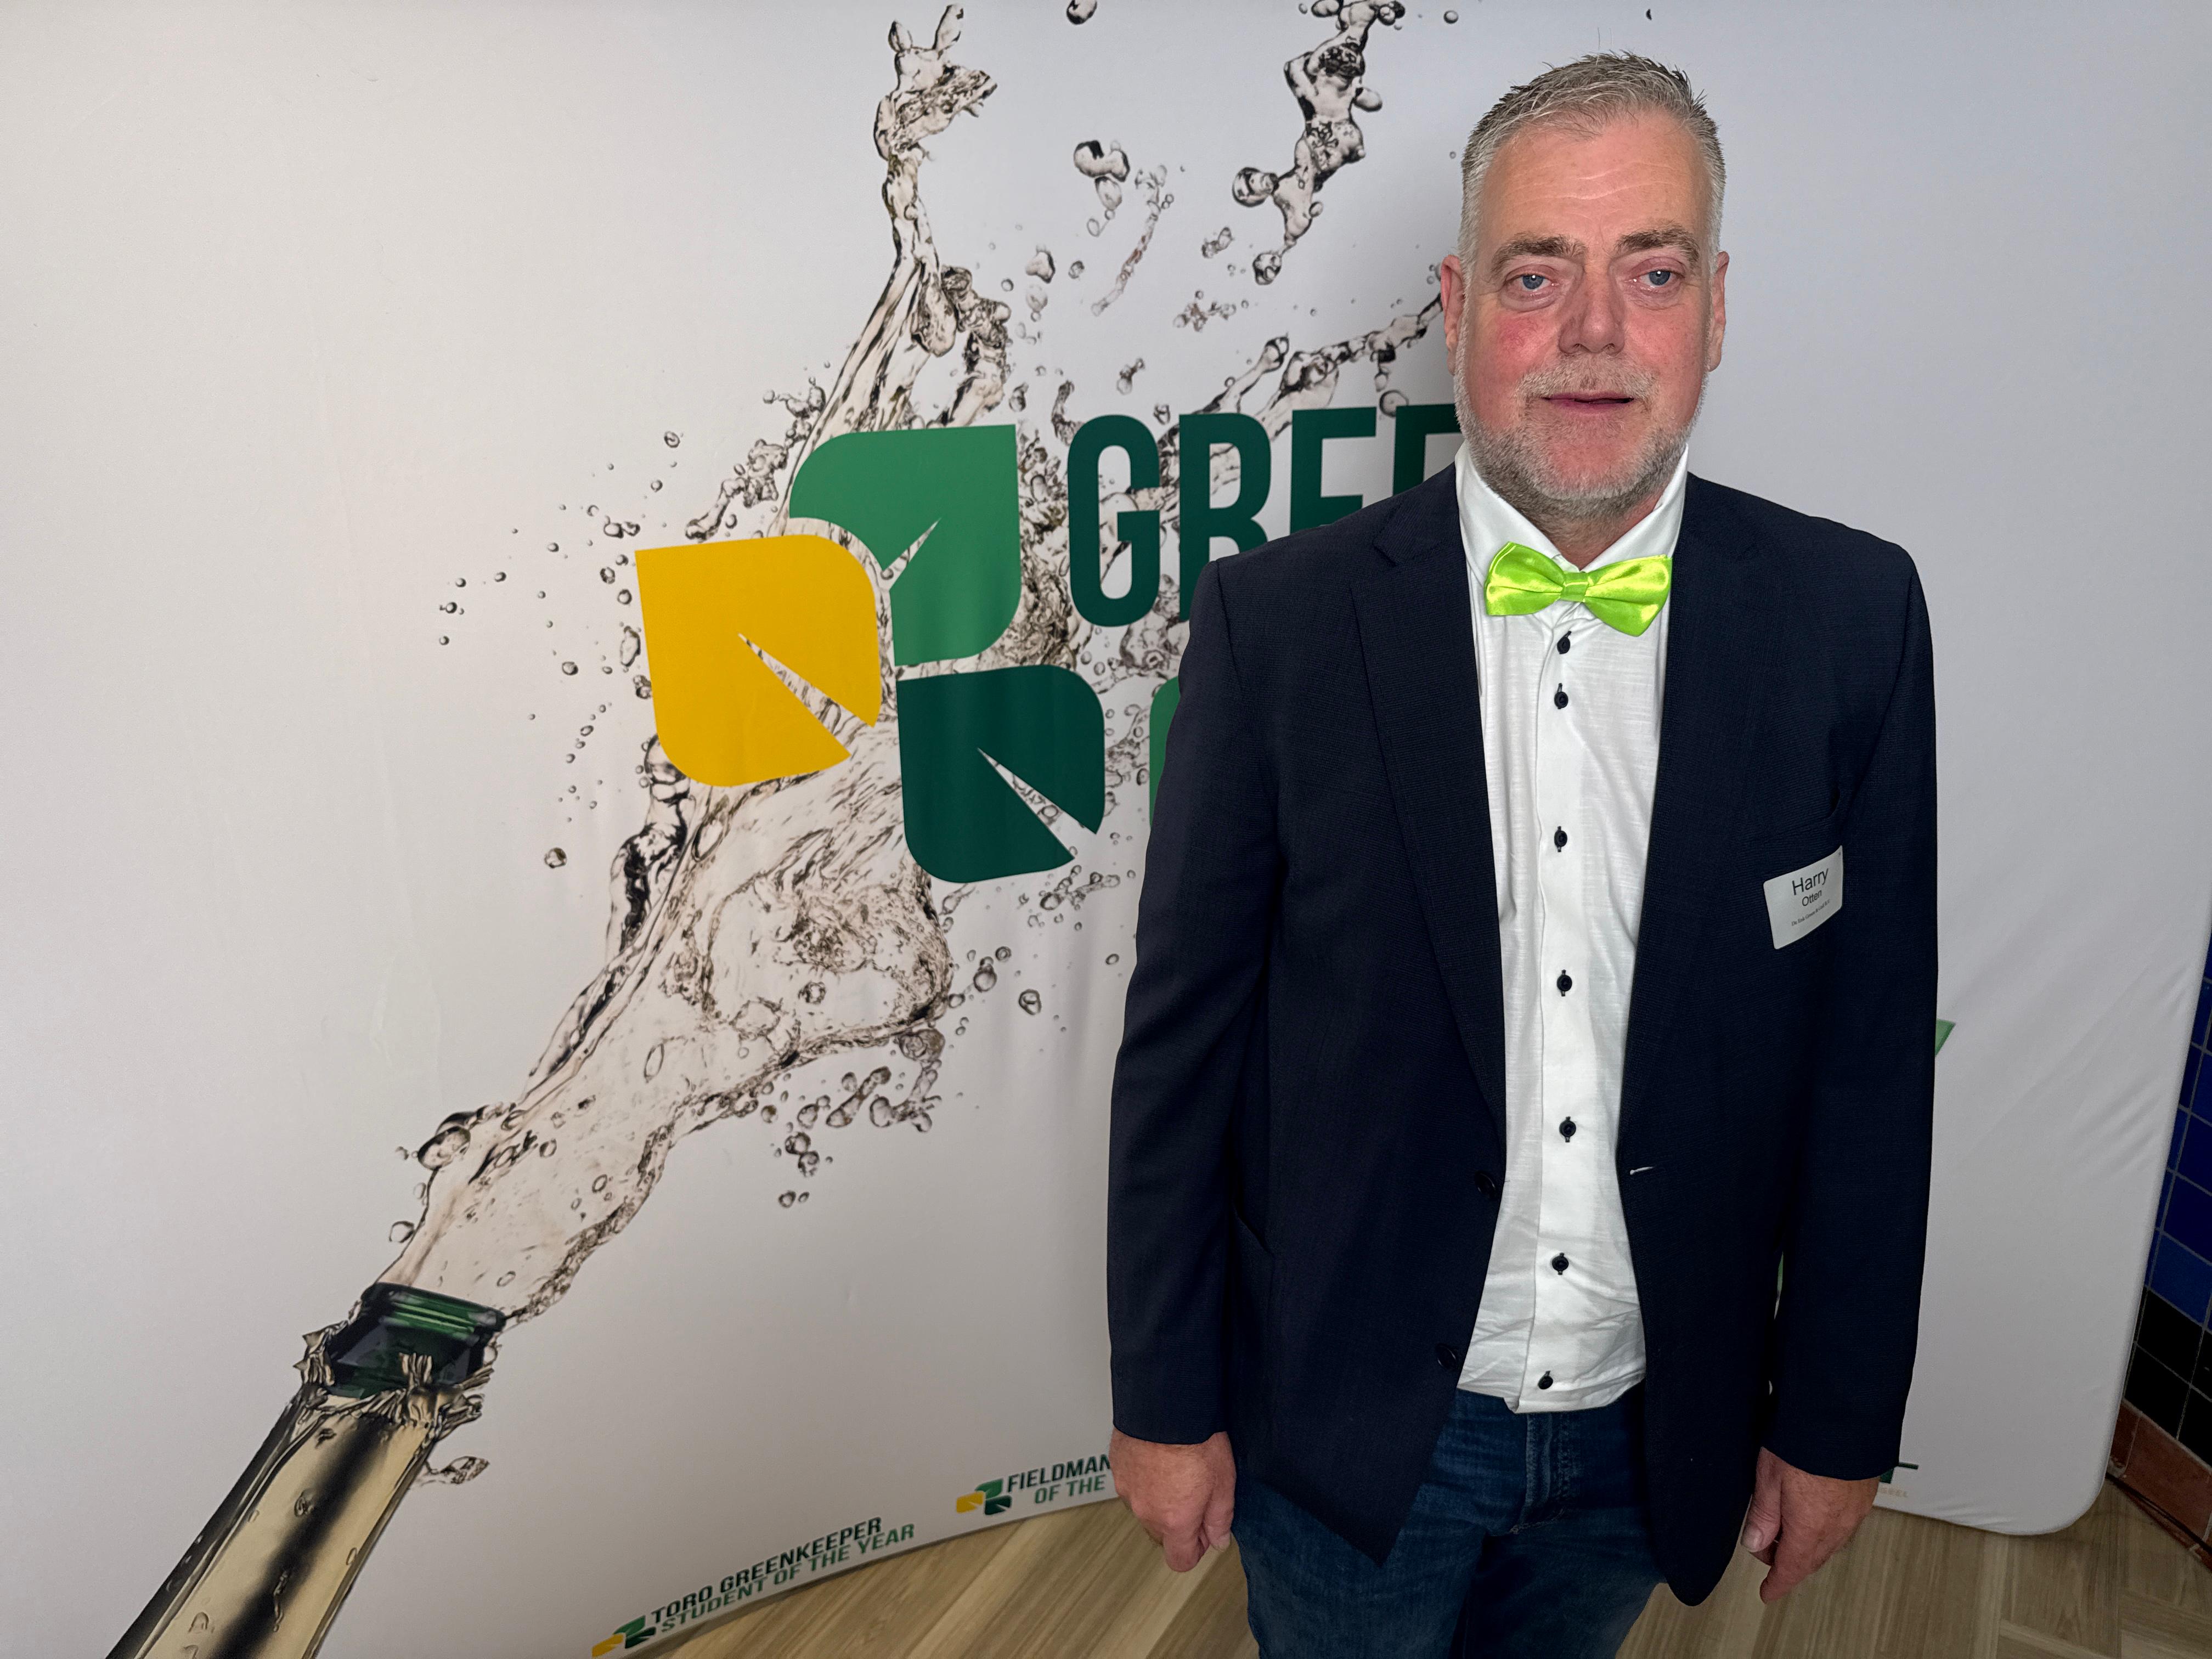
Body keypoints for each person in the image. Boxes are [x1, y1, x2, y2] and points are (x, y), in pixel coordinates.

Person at [1105, 52, 1936, 1659]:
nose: (1597, 333)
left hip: (1660, 1424)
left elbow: (1869, 1064)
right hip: (1349, 1421)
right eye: (1538, 273)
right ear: (1458, 305)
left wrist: (1839, 1417)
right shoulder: (1278, 628)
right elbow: (1182, 1053)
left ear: (1717, 307)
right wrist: (1162, 1395)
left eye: (1655, 273)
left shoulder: (1853, 621)